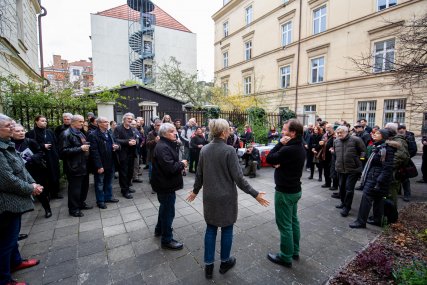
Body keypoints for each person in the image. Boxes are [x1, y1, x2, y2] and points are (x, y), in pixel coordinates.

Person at [186, 119, 269, 279]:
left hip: (210, 196)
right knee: (227, 229)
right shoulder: (229, 150)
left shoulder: (205, 150)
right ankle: (225, 262)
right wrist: (255, 194)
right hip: (226, 198)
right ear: (223, 132)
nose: (231, 131)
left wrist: (195, 191)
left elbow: (199, 175)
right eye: (229, 129)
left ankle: (208, 266)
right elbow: (239, 178)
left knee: (210, 229)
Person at [0, 114, 43, 285]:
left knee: (13, 236)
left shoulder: (7, 145)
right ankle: (4, 279)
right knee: (5, 242)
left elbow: (20, 168)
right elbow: (6, 179)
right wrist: (30, 189)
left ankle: (16, 262)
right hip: (5, 204)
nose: (13, 128)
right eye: (8, 126)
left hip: (15, 202)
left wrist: (32, 183)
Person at [265, 119, 306, 268]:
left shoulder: (289, 148)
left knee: (285, 225)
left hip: (285, 192)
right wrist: (280, 163)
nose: (282, 132)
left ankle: (285, 256)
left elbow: (269, 158)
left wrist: (280, 143)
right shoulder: (299, 145)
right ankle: (294, 250)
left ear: (293, 132)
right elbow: (279, 161)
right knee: (293, 221)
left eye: (285, 130)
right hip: (295, 190)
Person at [151, 123, 188, 250]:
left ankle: (159, 229)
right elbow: (170, 168)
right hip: (165, 185)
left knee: (164, 208)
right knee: (168, 212)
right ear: (165, 133)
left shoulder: (166, 144)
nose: (175, 133)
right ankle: (167, 239)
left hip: (165, 184)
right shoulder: (162, 147)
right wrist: (182, 164)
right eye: (172, 131)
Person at [350, 129, 396, 228]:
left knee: (366, 199)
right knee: (378, 199)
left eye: (378, 133)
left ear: (384, 136)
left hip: (375, 178)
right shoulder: (379, 146)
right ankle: (377, 219)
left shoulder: (386, 149)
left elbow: (387, 168)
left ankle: (361, 221)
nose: (374, 134)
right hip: (375, 176)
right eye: (375, 133)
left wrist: (379, 181)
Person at [12, 124, 52, 218]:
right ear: (12, 132)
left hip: (34, 171)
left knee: (40, 192)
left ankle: (47, 209)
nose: (21, 133)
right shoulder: (10, 144)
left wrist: (32, 158)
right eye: (18, 131)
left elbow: (40, 152)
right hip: (19, 173)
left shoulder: (30, 141)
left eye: (22, 131)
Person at [60, 115, 92, 217]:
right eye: (80, 122)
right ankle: (73, 209)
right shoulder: (66, 134)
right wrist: (80, 149)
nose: (82, 123)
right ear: (73, 122)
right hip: (74, 167)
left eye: (83, 121)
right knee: (75, 189)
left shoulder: (80, 132)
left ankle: (81, 203)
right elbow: (62, 152)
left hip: (84, 165)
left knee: (84, 187)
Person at [332, 126, 366, 217]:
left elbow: (363, 151)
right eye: (338, 133)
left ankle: (347, 207)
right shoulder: (336, 141)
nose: (339, 134)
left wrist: (359, 160)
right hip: (340, 169)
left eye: (341, 132)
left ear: (347, 132)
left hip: (353, 169)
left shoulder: (356, 139)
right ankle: (343, 203)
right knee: (342, 188)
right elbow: (335, 153)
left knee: (349, 189)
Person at [26, 115, 62, 199]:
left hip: (52, 157)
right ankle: (45, 195)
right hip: (40, 159)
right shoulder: (31, 133)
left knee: (54, 175)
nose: (45, 122)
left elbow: (56, 143)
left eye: (45, 121)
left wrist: (57, 155)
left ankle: (55, 193)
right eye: (42, 121)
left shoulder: (50, 131)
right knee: (43, 177)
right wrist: (42, 146)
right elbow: (29, 146)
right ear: (36, 121)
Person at [88, 117, 120, 209]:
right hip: (101, 164)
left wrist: (116, 146)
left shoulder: (110, 133)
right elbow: (94, 152)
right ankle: (100, 201)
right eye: (105, 122)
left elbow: (116, 143)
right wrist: (99, 166)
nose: (107, 123)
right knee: (99, 183)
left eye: (107, 121)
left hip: (111, 162)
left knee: (109, 182)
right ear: (99, 124)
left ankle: (108, 197)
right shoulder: (93, 135)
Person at [384, 122, 409, 207]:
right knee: (385, 194)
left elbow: (401, 156)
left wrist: (387, 166)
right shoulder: (390, 139)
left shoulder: (399, 140)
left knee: (391, 194)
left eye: (386, 128)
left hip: (393, 173)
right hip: (388, 172)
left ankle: (391, 216)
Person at [114, 113, 137, 199]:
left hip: (131, 153)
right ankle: (124, 190)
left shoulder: (132, 129)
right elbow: (115, 139)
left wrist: (135, 142)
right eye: (128, 119)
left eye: (131, 119)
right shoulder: (118, 128)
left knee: (130, 172)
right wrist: (127, 142)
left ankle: (127, 186)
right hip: (123, 154)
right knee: (123, 173)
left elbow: (136, 137)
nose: (130, 120)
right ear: (124, 119)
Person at [397, 124, 417, 201]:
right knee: (397, 175)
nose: (401, 130)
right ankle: (398, 191)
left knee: (405, 177)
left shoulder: (409, 137)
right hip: (398, 158)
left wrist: (406, 157)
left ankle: (407, 194)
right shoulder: (397, 136)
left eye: (403, 128)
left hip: (405, 160)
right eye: (399, 129)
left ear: (405, 129)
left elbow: (413, 150)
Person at [320, 124, 337, 189]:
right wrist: (321, 143)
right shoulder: (325, 135)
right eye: (326, 127)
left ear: (332, 128)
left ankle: (335, 185)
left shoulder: (335, 136)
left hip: (333, 156)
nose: (326, 128)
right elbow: (322, 142)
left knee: (333, 171)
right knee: (326, 170)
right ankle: (328, 183)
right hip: (325, 155)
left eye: (328, 127)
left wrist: (333, 148)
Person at [146, 119, 162, 184]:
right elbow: (147, 144)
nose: (159, 127)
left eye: (161, 125)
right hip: (152, 155)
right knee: (152, 169)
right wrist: (154, 141)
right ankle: (151, 180)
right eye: (158, 125)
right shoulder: (150, 133)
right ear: (154, 126)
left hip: (161, 155)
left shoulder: (164, 133)